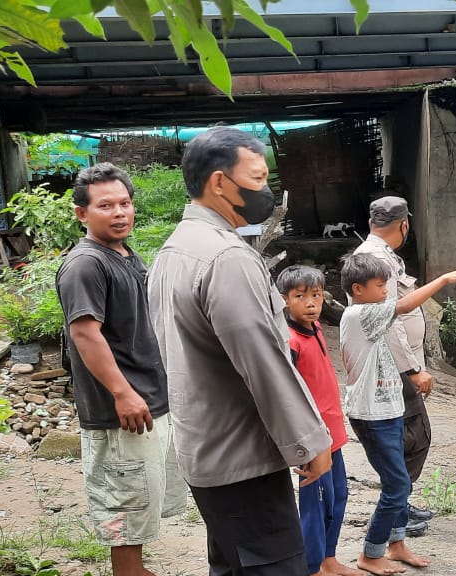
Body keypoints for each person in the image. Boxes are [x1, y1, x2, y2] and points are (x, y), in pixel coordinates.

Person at [147, 126, 334, 575]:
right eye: (257, 178)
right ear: (218, 182)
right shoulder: (225, 258)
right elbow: (263, 362)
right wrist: (309, 441)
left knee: (232, 566)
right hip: (243, 460)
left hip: (204, 449)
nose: (265, 190)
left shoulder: (172, 252)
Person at [55, 163, 187, 576]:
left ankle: (137, 568)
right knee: (125, 497)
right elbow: (85, 334)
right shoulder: (85, 265)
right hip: (120, 410)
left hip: (148, 397)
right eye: (106, 205)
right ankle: (128, 571)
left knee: (144, 495)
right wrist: (122, 392)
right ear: (82, 214)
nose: (119, 213)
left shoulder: (124, 254)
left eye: (125, 203)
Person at [337, 252, 456, 575]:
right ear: (358, 289)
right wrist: (443, 279)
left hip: (388, 409)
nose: (386, 290)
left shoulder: (366, 312)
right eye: (380, 284)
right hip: (372, 416)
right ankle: (370, 553)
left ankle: (397, 543)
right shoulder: (359, 315)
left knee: (399, 480)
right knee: (397, 484)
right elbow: (405, 305)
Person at [352, 197, 437, 534]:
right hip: (392, 367)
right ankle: (394, 510)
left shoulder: (376, 255)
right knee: (414, 437)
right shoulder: (377, 262)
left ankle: (399, 503)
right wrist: (413, 369)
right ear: (403, 225)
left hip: (391, 366)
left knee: (405, 437)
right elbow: (389, 321)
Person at [277, 265, 365, 576]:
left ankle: (329, 558)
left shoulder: (315, 329)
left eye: (316, 295)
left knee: (338, 495)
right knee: (314, 502)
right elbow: (288, 395)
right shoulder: (290, 341)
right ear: (285, 300)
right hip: (313, 439)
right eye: (301, 297)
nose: (311, 303)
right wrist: (304, 440)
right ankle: (312, 566)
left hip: (334, 434)